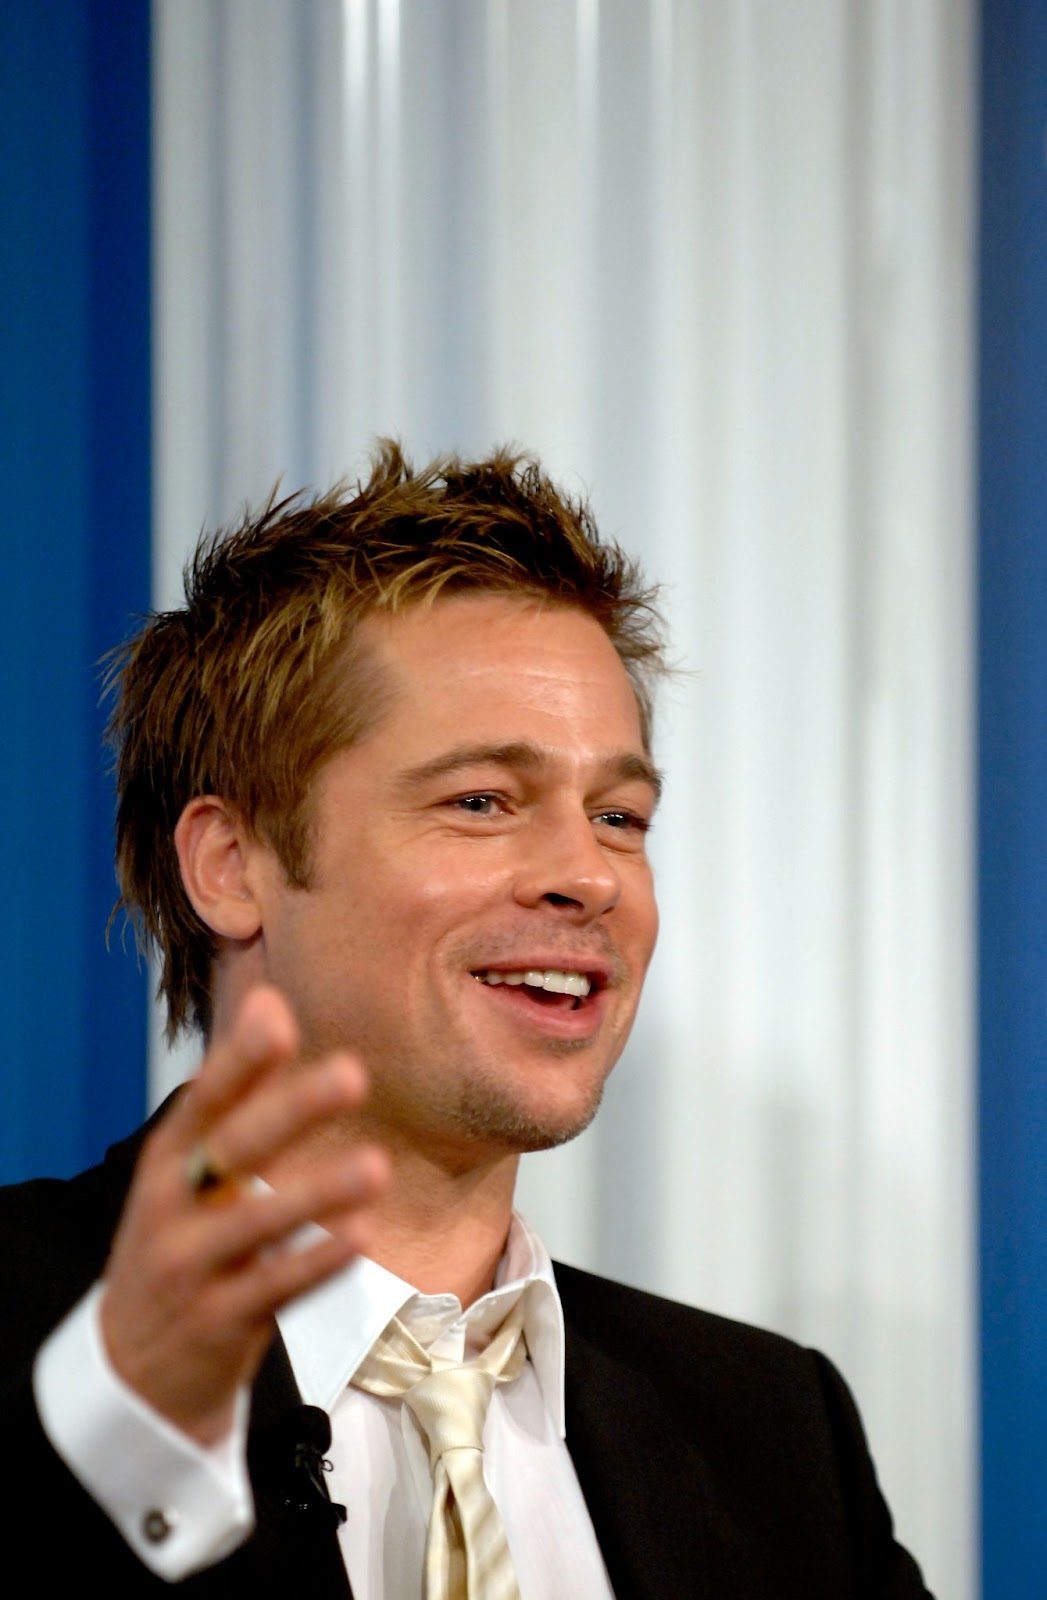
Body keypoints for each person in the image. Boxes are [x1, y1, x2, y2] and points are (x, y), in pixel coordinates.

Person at [0, 442, 932, 1597]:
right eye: (481, 800)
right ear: (232, 866)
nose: (586, 875)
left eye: (620, 814)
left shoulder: (773, 1433)